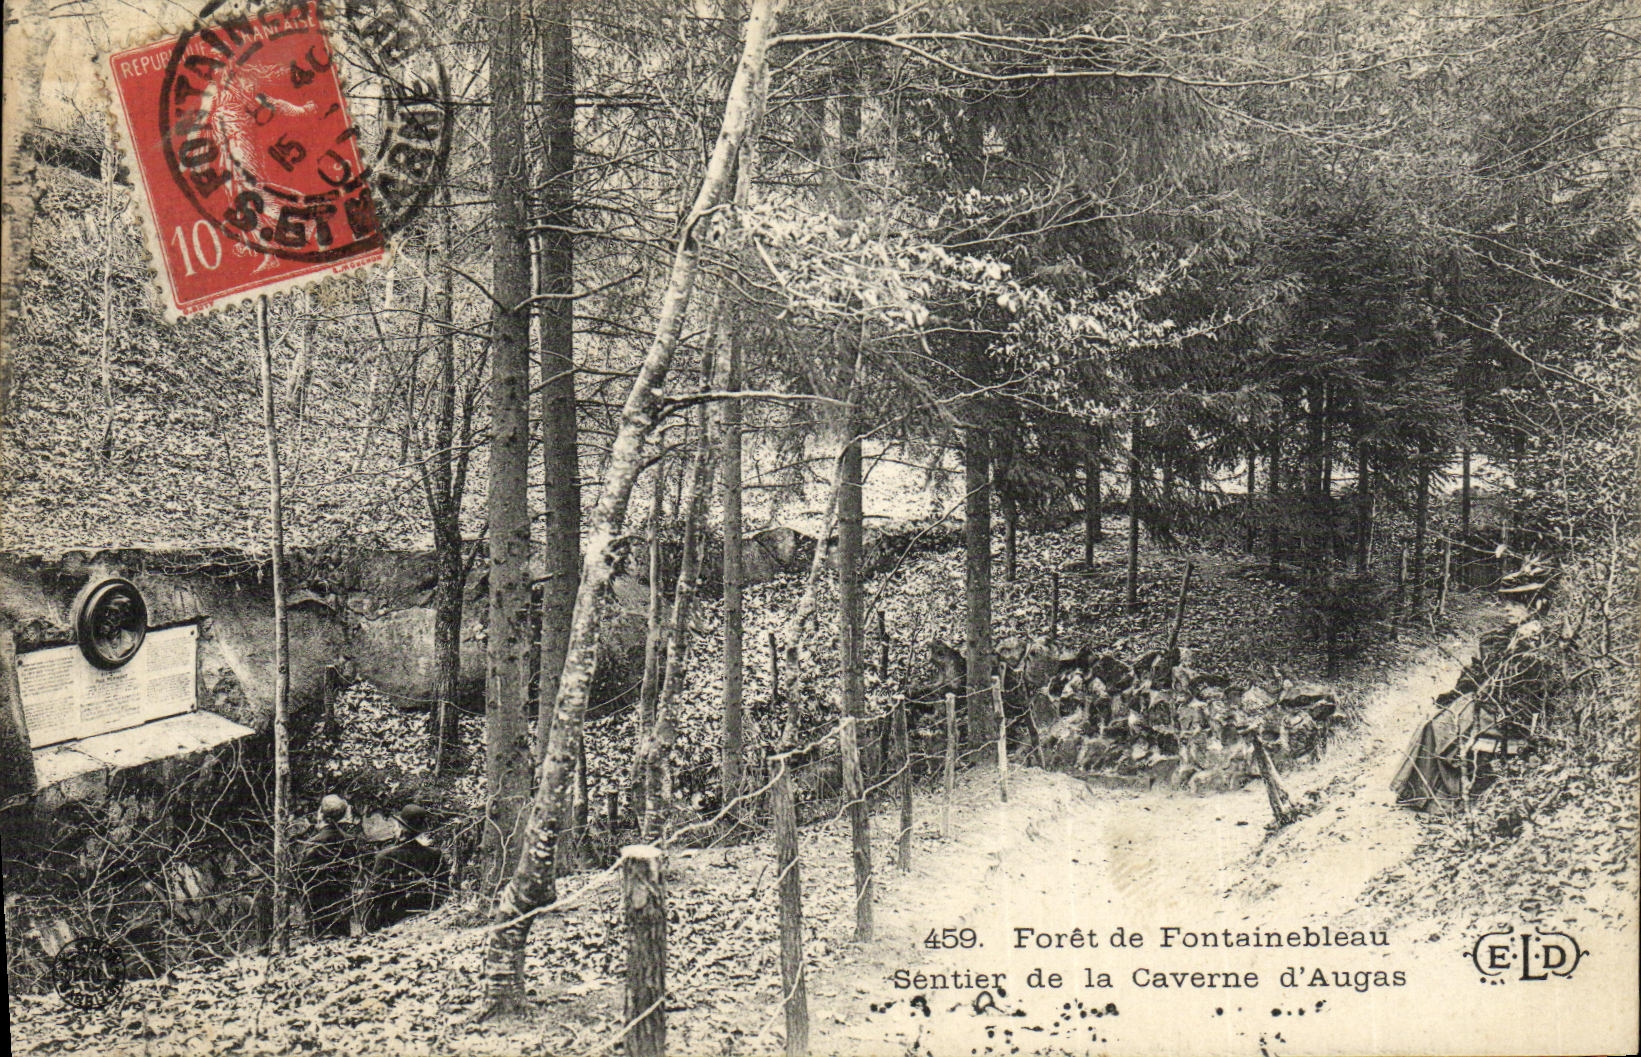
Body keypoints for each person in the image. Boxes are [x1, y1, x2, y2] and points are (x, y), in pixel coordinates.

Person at [360, 803, 448, 932]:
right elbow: (443, 889)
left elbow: (373, 895)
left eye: (396, 825)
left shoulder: (385, 857)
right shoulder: (434, 854)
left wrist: (368, 927)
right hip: (426, 917)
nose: (393, 829)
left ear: (401, 828)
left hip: (391, 920)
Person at [295, 794, 358, 939]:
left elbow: (301, 875)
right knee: (342, 941)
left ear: (321, 813)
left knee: (319, 943)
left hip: (317, 904)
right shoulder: (349, 840)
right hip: (341, 902)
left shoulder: (313, 842)